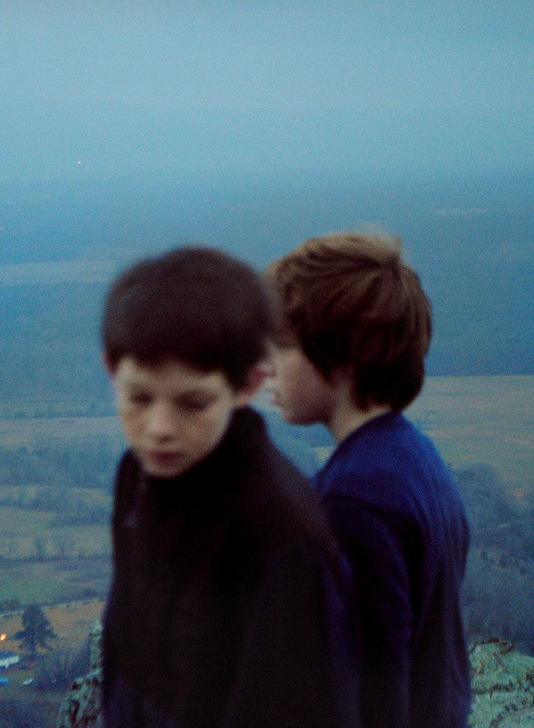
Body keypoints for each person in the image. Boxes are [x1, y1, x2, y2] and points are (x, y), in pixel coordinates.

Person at [99, 246, 359, 728]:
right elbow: (124, 647)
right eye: (138, 397)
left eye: (192, 402)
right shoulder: (137, 476)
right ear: (110, 370)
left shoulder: (278, 529)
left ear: (248, 385)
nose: (159, 428)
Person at [262, 231, 471, 728]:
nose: (266, 366)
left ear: (342, 356)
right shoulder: (415, 457)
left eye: (282, 347)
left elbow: (373, 691)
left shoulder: (354, 500)